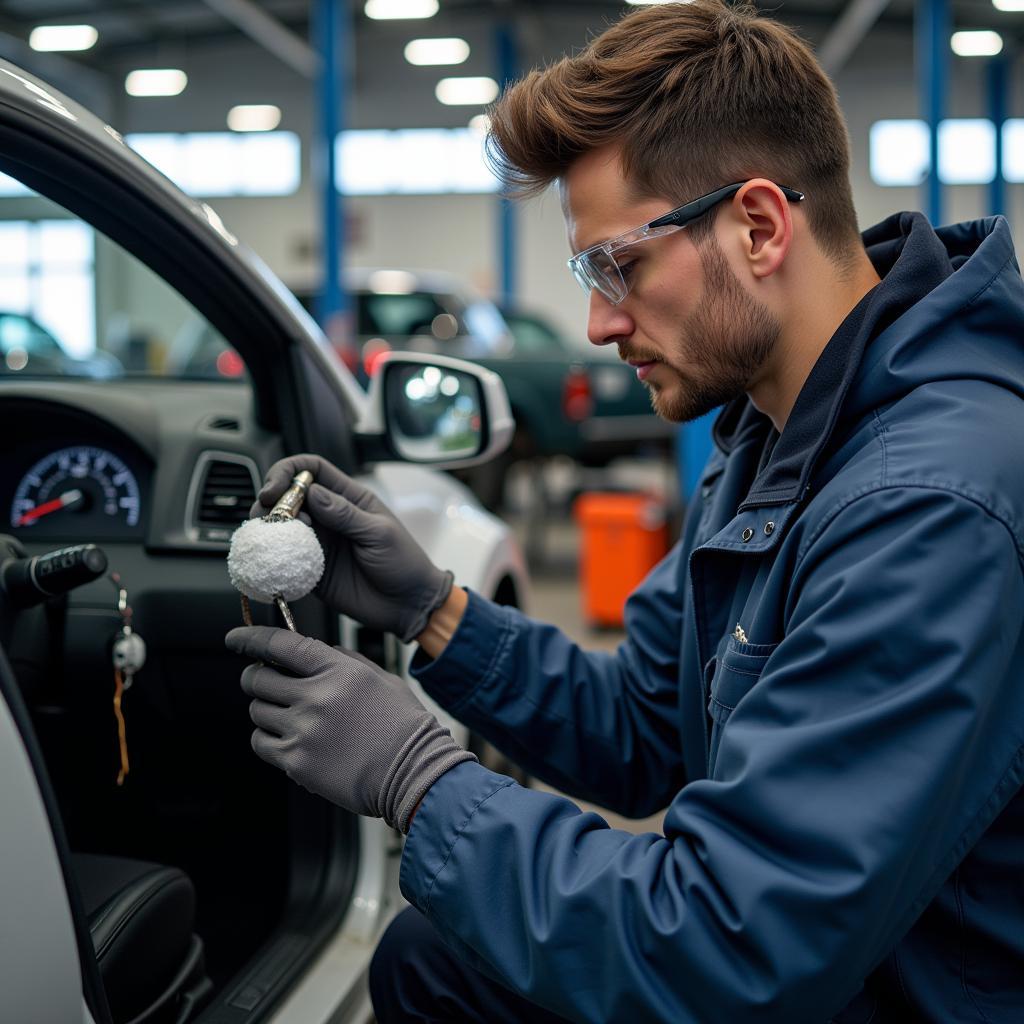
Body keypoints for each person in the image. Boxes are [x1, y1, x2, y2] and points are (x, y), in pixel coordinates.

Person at [224, 2, 1024, 1020]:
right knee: (436, 959)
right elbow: (648, 726)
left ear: (760, 226)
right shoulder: (777, 435)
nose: (599, 322)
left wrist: (416, 777)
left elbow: (730, 941)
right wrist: (434, 612)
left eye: (622, 264)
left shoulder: (929, 502)